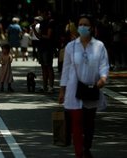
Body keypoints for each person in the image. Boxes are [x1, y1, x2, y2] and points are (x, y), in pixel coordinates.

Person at [58, 14, 109, 158]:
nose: (82, 27)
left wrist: (103, 78)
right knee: (76, 124)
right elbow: (66, 69)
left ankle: (86, 148)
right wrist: (62, 90)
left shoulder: (99, 46)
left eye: (85, 24)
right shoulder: (71, 47)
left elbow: (104, 65)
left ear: (91, 28)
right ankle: (79, 153)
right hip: (74, 90)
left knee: (89, 124)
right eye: (80, 24)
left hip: (92, 89)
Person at [32, 10, 55, 93]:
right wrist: (34, 29)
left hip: (48, 47)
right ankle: (44, 86)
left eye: (41, 13)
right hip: (41, 47)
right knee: (43, 67)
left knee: (49, 67)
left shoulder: (50, 22)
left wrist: (41, 36)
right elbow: (39, 36)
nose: (40, 15)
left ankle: (51, 87)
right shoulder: (42, 23)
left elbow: (48, 36)